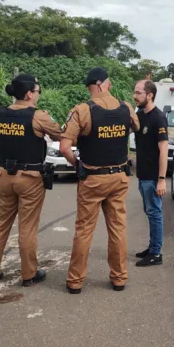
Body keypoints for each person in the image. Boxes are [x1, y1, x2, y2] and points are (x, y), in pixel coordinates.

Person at [58, 67, 140, 294]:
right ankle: (119, 278)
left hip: (93, 179)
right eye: (109, 82)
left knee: (84, 230)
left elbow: (65, 147)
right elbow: (136, 126)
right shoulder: (125, 108)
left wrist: (77, 165)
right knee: (117, 229)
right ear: (102, 84)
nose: (111, 85)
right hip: (119, 177)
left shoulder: (82, 110)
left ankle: (75, 282)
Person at [0, 73, 62, 288]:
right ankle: (28, 274)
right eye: (37, 91)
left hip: (4, 176)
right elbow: (61, 135)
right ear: (28, 93)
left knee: (0, 224)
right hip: (29, 178)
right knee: (27, 227)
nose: (38, 95)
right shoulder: (38, 116)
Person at [132, 79, 169, 267]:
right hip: (143, 174)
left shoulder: (158, 118)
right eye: (135, 92)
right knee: (149, 212)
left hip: (153, 177)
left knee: (155, 213)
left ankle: (156, 253)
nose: (135, 96)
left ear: (150, 95)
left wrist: (162, 179)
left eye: (138, 93)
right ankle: (152, 246)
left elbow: (164, 148)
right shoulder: (140, 115)